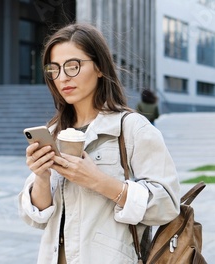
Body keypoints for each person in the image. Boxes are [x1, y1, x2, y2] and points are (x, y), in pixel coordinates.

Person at [18, 23, 180, 264]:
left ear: (100, 68)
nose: (63, 78)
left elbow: (167, 204)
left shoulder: (132, 127)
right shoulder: (54, 132)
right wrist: (41, 176)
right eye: (54, 69)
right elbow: (36, 218)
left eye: (73, 66)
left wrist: (97, 180)